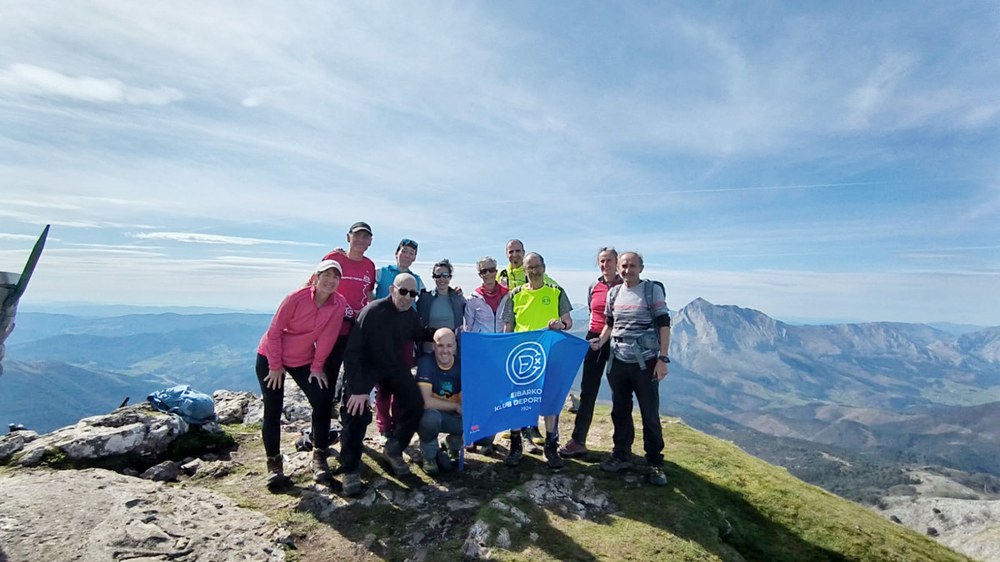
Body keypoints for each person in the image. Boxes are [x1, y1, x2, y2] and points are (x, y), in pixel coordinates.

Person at [256, 260, 346, 490]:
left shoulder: (338, 304)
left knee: (323, 401)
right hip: (271, 356)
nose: (330, 280)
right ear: (315, 277)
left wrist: (317, 367)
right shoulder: (296, 298)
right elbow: (274, 331)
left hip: (303, 359)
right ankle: (274, 467)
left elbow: (327, 337)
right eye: (326, 275)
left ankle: (319, 457)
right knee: (272, 409)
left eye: (336, 277)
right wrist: (275, 366)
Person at [339, 273, 431, 496]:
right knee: (356, 411)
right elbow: (352, 352)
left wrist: (448, 335)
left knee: (415, 403)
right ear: (392, 290)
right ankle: (350, 468)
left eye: (413, 293)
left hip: (391, 365)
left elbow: (420, 333)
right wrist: (359, 390)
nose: (408, 297)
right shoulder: (372, 311)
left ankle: (394, 448)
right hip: (365, 365)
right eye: (403, 291)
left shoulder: (410, 315)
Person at [589, 251, 670, 486]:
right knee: (620, 411)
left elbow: (664, 323)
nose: (627, 270)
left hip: (645, 363)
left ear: (641, 268)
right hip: (618, 361)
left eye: (632, 266)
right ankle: (621, 455)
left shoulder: (651, 290)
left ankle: (655, 463)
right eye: (624, 266)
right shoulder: (614, 292)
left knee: (649, 414)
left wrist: (663, 359)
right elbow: (610, 325)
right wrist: (601, 342)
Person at [498, 252, 573, 469]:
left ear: (544, 267)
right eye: (529, 268)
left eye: (537, 266)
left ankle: (551, 446)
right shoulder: (515, 295)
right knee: (518, 400)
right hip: (522, 358)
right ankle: (515, 446)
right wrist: (505, 351)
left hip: (550, 356)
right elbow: (508, 328)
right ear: (524, 270)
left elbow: (567, 320)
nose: (534, 271)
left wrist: (561, 325)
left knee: (550, 401)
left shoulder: (556, 292)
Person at [560, 247, 622, 458]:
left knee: (620, 392)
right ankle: (578, 440)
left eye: (609, 261)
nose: (606, 265)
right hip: (594, 337)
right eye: (602, 261)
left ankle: (621, 447)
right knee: (588, 389)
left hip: (619, 339)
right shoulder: (593, 286)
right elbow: (591, 310)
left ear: (617, 262)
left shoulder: (625, 286)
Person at [372, 238, 424, 445]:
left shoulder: (417, 279)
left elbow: (423, 300)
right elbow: (364, 285)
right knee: (382, 385)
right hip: (381, 336)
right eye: (405, 251)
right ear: (397, 252)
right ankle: (384, 427)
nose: (408, 255)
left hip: (405, 336)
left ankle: (396, 425)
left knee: (401, 382)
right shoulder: (382, 272)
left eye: (412, 253)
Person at [322, 222, 377, 411]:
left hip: (357, 329)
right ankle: (320, 429)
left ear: (370, 241)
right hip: (332, 328)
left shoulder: (369, 265)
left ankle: (348, 426)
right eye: (357, 235)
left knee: (353, 378)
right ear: (348, 237)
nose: (361, 240)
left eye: (365, 237)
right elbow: (318, 285)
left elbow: (369, 295)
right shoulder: (333, 258)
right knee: (328, 376)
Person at [462, 256, 509, 454]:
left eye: (491, 270)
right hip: (481, 353)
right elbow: (469, 327)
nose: (488, 274)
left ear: (496, 270)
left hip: (502, 353)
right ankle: (470, 436)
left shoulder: (509, 295)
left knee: (495, 396)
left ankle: (487, 434)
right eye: (483, 271)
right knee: (476, 395)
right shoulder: (473, 298)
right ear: (479, 274)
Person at [416, 328, 463, 475]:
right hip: (434, 415)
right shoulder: (425, 363)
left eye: (449, 346)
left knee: (487, 437)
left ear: (455, 347)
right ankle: (429, 455)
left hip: (454, 417)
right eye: (440, 345)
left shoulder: (463, 365)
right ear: (434, 346)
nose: (445, 350)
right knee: (428, 418)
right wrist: (456, 406)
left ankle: (454, 444)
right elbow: (426, 402)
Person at [416, 259, 465, 357]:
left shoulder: (458, 298)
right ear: (433, 277)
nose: (442, 279)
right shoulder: (425, 298)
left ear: (450, 277)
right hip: (429, 351)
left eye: (445, 275)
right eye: (438, 276)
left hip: (451, 353)